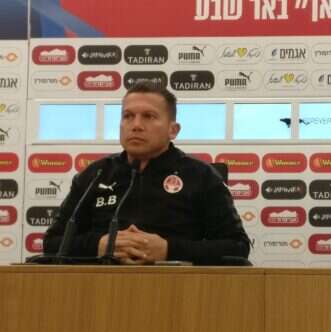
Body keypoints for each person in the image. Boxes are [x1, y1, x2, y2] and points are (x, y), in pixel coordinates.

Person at [44, 82, 250, 265]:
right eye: (128, 116)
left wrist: (168, 250)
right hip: (101, 288)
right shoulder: (96, 175)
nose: (136, 125)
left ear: (173, 130)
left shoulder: (201, 176)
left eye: (149, 116)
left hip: (177, 288)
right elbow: (52, 243)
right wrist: (99, 245)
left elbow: (237, 247)